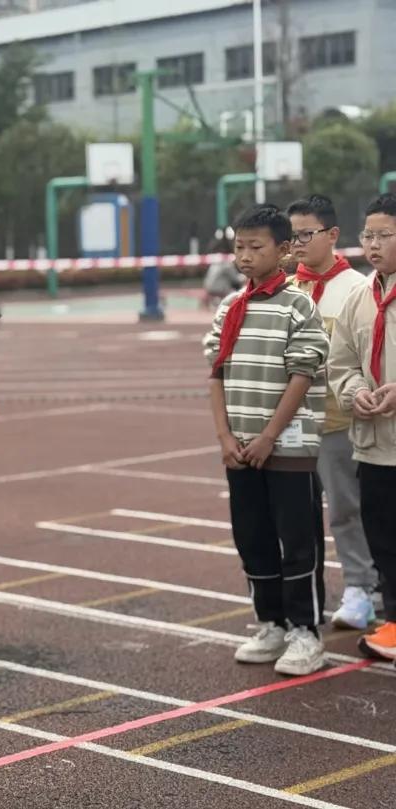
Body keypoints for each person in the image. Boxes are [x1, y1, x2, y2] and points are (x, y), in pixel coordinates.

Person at [203, 204, 330, 677]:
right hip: (241, 449)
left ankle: (306, 631)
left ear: (283, 250)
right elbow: (216, 374)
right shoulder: (230, 307)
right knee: (252, 537)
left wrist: (269, 437)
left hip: (289, 448)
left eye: (256, 247)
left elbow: (302, 374)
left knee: (298, 540)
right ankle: (270, 622)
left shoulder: (298, 305)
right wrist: (226, 437)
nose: (245, 256)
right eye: (239, 247)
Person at [286, 195, 378, 630]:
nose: (298, 243)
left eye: (307, 234)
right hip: (291, 425)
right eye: (293, 236)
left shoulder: (357, 288)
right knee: (298, 515)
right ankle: (305, 595)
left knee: (346, 508)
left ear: (332, 235)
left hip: (340, 423)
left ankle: (362, 588)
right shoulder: (288, 289)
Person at [328, 192, 396, 663]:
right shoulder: (360, 298)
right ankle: (392, 621)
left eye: (383, 235)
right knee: (384, 536)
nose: (372, 244)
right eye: (367, 235)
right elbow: (341, 362)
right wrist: (355, 391)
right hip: (374, 444)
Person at [203, 232, 243, 308]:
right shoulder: (227, 263)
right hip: (220, 290)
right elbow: (235, 279)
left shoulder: (214, 261)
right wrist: (244, 278)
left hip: (208, 288)